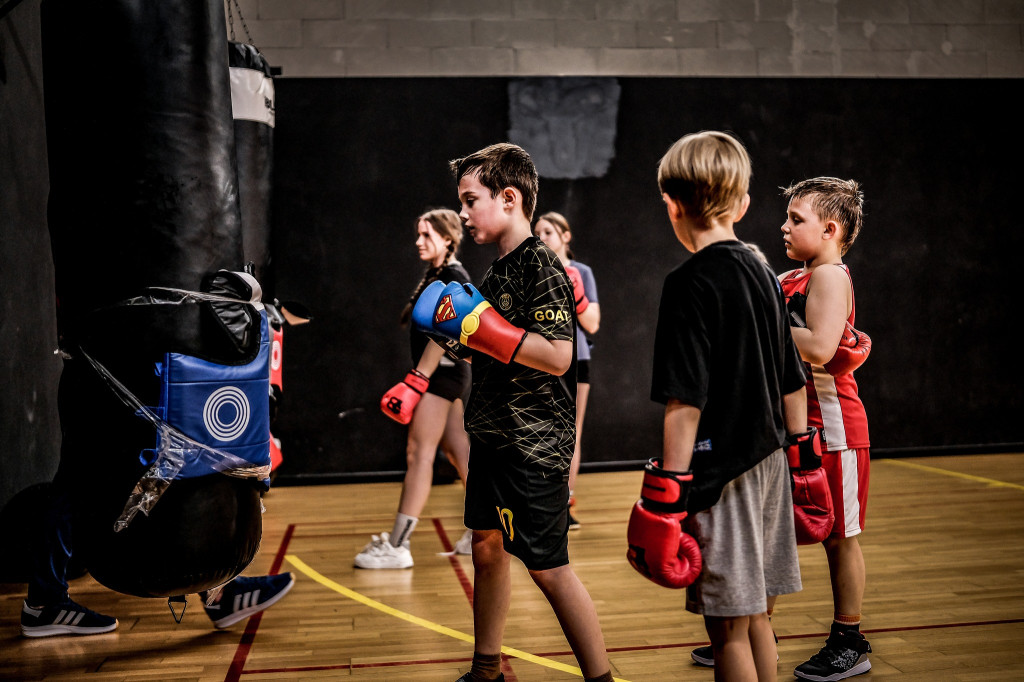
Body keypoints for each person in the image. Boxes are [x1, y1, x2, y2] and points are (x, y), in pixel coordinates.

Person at [413, 142, 613, 682]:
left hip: (534, 444)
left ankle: (601, 678)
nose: (462, 213)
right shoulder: (497, 270)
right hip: (494, 437)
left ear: (508, 198)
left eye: (469, 200)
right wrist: (426, 371)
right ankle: (486, 670)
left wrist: (491, 332)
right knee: (485, 547)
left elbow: (558, 354)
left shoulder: (542, 265)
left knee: (549, 569)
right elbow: (474, 339)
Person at [627, 130, 808, 681]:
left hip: (724, 471)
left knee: (726, 624)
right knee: (754, 615)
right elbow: (791, 376)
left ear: (673, 205)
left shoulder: (688, 283)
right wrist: (803, 455)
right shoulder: (762, 270)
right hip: (772, 461)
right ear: (744, 202)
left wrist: (669, 492)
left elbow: (685, 400)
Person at [778, 177, 873, 681]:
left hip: (834, 428)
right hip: (793, 425)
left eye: (797, 219)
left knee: (839, 537)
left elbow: (816, 348)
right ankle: (752, 627)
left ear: (830, 229)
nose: (785, 226)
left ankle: (849, 640)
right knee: (775, 528)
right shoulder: (792, 278)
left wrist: (759, 319)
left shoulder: (831, 277)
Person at [21, 473, 293, 637]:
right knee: (80, 477)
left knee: (84, 476)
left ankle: (219, 593)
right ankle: (45, 603)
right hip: (97, 384)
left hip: (104, 383)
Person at [356, 209, 474, 569]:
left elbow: (448, 332)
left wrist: (418, 378)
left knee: (418, 454)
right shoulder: (436, 275)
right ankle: (484, 530)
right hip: (440, 376)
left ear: (448, 239)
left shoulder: (454, 276)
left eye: (427, 235)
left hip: (440, 376)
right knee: (461, 454)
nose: (419, 241)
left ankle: (398, 546)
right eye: (418, 234)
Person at [533, 211, 600, 529]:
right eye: (537, 233)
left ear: (565, 236)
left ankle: (565, 504)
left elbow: (593, 324)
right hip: (540, 359)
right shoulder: (532, 271)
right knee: (540, 432)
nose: (541, 238)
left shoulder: (581, 271)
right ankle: (540, 502)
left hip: (576, 358)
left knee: (571, 432)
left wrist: (578, 294)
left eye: (548, 232)